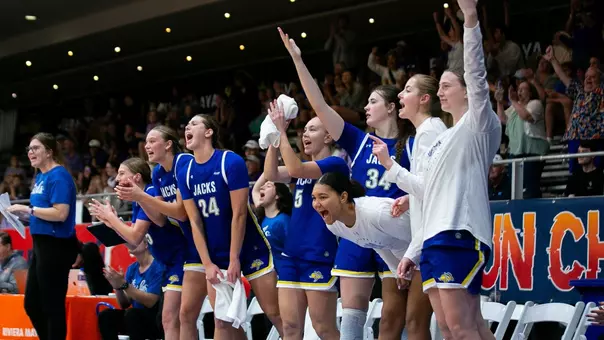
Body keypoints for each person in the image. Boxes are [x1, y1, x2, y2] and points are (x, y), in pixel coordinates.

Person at [375, 0, 502, 338]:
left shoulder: (478, 125)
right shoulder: (440, 141)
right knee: (453, 326)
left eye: (447, 85)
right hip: (434, 238)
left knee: (460, 327)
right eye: (440, 85)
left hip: (458, 233)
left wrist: (471, 18)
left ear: (467, 93)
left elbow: (476, 73)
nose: (441, 90)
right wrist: (414, 251)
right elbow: (426, 192)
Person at [278, 26, 414, 340]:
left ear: (391, 108)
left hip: (394, 234)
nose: (365, 107)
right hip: (356, 230)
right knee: (351, 318)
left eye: (373, 101)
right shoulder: (359, 140)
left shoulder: (412, 144)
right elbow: (321, 108)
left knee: (393, 319)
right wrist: (299, 61)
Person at [179, 114, 283, 339]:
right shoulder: (185, 172)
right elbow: (194, 222)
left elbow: (239, 213)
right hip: (216, 254)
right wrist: (207, 264)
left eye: (194, 123)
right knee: (224, 322)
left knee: (275, 313)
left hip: (249, 247)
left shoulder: (230, 161)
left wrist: (235, 258)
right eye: (187, 125)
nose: (188, 127)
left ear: (209, 132)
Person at [264, 101, 349, 340]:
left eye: (313, 129)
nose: (305, 134)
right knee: (290, 329)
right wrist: (273, 137)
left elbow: (296, 168)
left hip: (319, 255)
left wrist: (282, 131)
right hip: (292, 256)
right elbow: (271, 175)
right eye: (304, 131)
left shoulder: (335, 165)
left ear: (329, 136)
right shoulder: (301, 169)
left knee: (324, 328)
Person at [115, 125, 205, 340]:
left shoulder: (184, 162)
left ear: (168, 144)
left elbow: (180, 214)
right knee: (173, 318)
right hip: (180, 252)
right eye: (145, 142)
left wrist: (137, 199)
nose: (147, 145)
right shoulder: (157, 175)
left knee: (185, 317)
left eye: (152, 141)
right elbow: (160, 218)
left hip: (195, 245)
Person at [377, 73, 449, 340]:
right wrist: (411, 199)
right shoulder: (428, 131)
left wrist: (389, 165)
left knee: (429, 323)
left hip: (433, 240)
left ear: (424, 99)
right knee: (433, 323)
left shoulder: (430, 131)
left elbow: (429, 189)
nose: (400, 95)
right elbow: (430, 186)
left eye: (407, 90)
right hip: (428, 240)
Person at [89, 157, 187, 339]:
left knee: (174, 319)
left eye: (121, 173)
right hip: (169, 261)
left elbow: (135, 238)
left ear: (136, 177)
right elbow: (134, 240)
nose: (117, 179)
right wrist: (111, 222)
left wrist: (112, 219)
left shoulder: (149, 192)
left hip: (180, 258)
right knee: (172, 319)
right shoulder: (137, 200)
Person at [7, 133, 82, 340]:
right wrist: (20, 214)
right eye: (29, 149)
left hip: (56, 245)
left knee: (52, 306)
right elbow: (41, 212)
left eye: (36, 148)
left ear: (49, 151)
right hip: (40, 244)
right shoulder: (40, 176)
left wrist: (28, 210)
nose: (31, 152)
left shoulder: (59, 176)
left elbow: (60, 213)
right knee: (32, 304)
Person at [312, 172, 411, 275]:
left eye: (322, 197)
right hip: (406, 255)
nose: (316, 204)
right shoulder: (334, 226)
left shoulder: (376, 213)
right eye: (314, 198)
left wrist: (410, 261)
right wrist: (397, 272)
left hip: (423, 249)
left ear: (343, 197)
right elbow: (377, 242)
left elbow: (420, 236)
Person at [98, 238, 164, 340]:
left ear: (146, 244)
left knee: (132, 315)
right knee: (106, 316)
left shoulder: (158, 267)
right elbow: (124, 304)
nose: (129, 243)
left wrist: (124, 285)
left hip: (155, 319)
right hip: (135, 317)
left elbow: (151, 302)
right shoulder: (132, 268)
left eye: (134, 240)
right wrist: (118, 287)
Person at [251, 176, 293, 277]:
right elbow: (255, 190)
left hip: (284, 273)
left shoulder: (283, 220)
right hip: (266, 272)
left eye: (268, 186)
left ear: (277, 196)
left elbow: (293, 250)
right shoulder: (261, 220)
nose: (262, 188)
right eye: (263, 186)